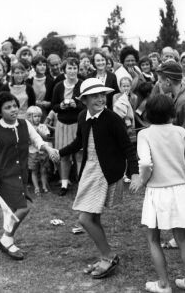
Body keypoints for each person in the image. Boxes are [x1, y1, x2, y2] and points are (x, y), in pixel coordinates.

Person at [58, 78, 140, 279]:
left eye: (102, 94)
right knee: (93, 217)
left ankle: (108, 256)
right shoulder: (81, 117)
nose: (100, 99)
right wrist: (59, 153)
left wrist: (134, 173)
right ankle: (105, 256)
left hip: (105, 172)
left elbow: (128, 147)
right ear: (84, 99)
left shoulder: (112, 119)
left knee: (84, 219)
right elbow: (79, 141)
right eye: (94, 96)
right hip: (89, 169)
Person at [133, 94, 185, 293]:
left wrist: (143, 179)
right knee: (182, 238)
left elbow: (145, 163)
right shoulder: (180, 131)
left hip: (157, 191)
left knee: (153, 238)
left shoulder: (145, 134)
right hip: (179, 189)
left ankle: (164, 284)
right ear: (171, 112)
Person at [0, 92, 59, 261]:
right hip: (3, 176)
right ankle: (6, 239)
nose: (13, 109)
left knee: (15, 209)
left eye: (14, 105)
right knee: (23, 208)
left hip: (21, 175)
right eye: (8, 107)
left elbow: (37, 140)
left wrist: (49, 149)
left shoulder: (25, 124)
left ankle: (7, 238)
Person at [51, 57, 84, 195]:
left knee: (79, 155)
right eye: (69, 68)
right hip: (62, 125)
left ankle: (82, 185)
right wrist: (62, 106)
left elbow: (86, 105)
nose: (72, 71)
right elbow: (54, 106)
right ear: (64, 70)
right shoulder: (58, 86)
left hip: (78, 124)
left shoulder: (82, 84)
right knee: (64, 156)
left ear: (78, 69)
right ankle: (64, 184)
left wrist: (77, 105)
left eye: (74, 68)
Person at [26, 106, 51, 195]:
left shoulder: (43, 126)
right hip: (33, 152)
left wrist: (38, 133)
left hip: (43, 152)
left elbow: (47, 137)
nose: (38, 118)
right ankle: (36, 188)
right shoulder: (27, 127)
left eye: (39, 116)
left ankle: (44, 186)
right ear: (29, 117)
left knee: (43, 170)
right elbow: (27, 141)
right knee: (34, 170)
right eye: (35, 116)